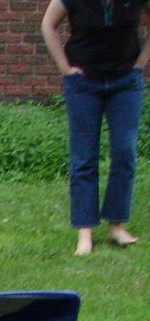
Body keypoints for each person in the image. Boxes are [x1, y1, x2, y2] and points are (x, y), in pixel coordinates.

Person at [41, 0, 150, 254]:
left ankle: (116, 226)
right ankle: (85, 232)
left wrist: (140, 65)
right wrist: (64, 67)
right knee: (84, 156)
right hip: (83, 84)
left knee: (125, 153)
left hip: (125, 83)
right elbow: (48, 24)